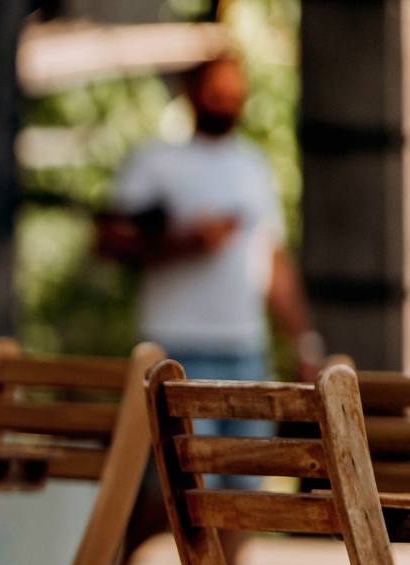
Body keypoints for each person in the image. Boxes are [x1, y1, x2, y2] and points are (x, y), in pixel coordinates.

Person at [95, 55, 323, 385]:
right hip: (175, 345)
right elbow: (108, 241)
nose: (227, 98)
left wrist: (304, 343)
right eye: (217, 90)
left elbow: (273, 260)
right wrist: (187, 243)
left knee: (255, 441)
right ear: (191, 89)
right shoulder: (156, 163)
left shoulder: (253, 165)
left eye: (235, 90)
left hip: (245, 348)